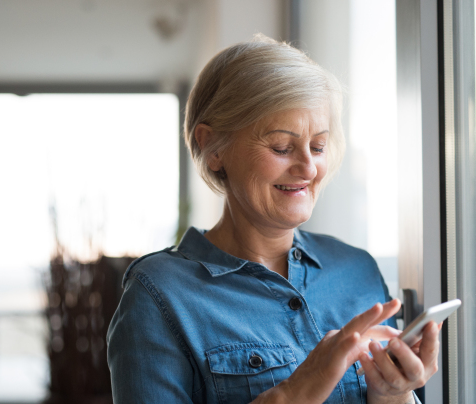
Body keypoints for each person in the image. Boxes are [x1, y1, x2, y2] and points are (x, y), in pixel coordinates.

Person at [106, 35, 440, 404]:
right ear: (212, 148)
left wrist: (392, 394)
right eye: (282, 147)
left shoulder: (356, 270)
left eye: (318, 147)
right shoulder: (159, 294)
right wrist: (294, 393)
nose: (308, 168)